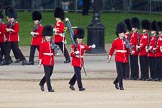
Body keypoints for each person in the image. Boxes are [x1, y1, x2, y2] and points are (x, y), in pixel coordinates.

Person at [107, 22, 128, 90]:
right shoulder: (115, 41)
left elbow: (128, 49)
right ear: (119, 34)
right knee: (120, 72)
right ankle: (121, 86)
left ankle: (116, 81)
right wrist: (109, 56)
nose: (123, 34)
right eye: (122, 33)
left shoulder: (126, 41)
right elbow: (112, 49)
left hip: (125, 58)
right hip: (118, 58)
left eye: (124, 33)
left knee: (124, 73)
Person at [38, 25, 55, 92]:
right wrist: (40, 62)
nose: (48, 37)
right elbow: (40, 54)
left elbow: (53, 52)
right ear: (45, 36)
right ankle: (49, 88)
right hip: (45, 60)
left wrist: (55, 50)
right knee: (47, 75)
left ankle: (41, 83)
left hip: (51, 60)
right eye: (47, 36)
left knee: (50, 74)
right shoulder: (42, 43)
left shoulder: (52, 43)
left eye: (49, 36)